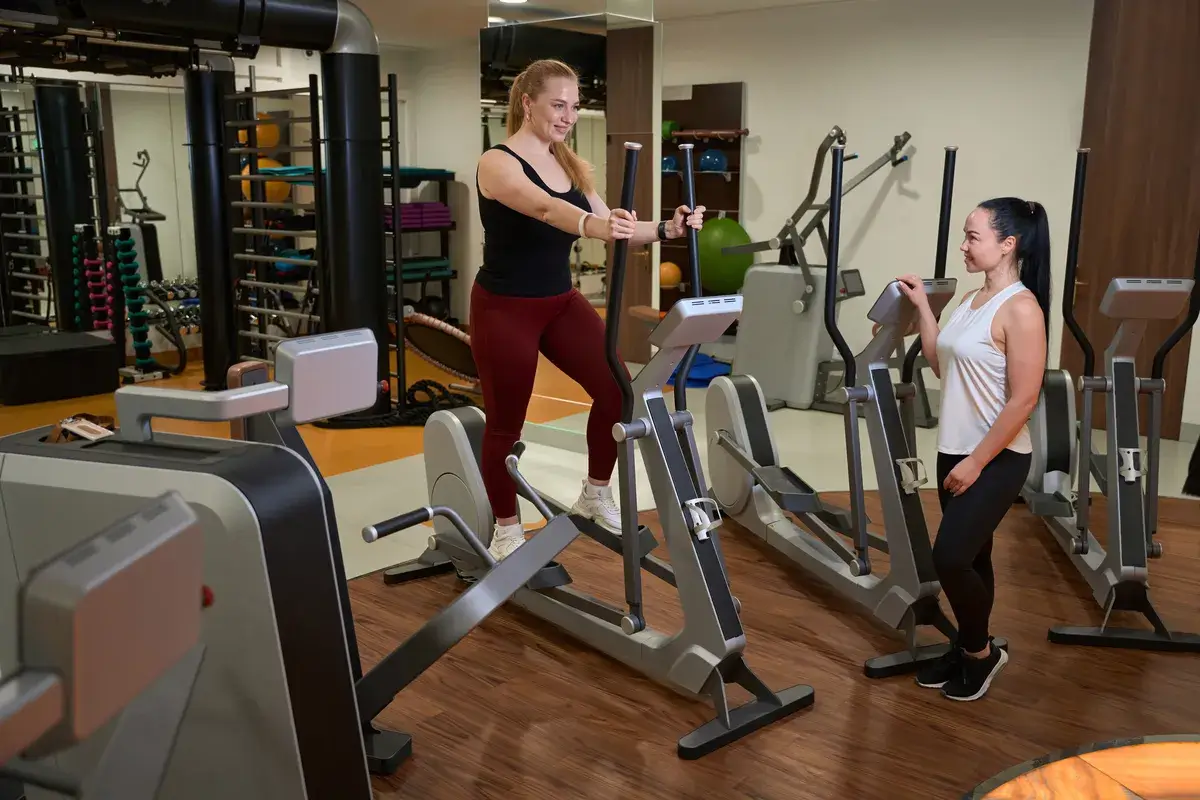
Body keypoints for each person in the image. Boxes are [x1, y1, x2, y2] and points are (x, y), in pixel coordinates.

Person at [472, 58, 705, 561]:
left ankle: (595, 494)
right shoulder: (497, 162)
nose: (567, 116)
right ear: (527, 102)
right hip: (505, 308)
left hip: (559, 302)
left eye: (574, 107)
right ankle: (507, 528)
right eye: (558, 105)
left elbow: (614, 225)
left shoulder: (569, 162)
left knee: (618, 390)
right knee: (505, 424)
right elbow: (544, 209)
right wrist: (594, 227)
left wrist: (667, 229)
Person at [896, 197, 1050, 702]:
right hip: (954, 449)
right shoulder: (970, 299)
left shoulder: (1022, 309)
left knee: (950, 558)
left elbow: (1025, 398)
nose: (963, 246)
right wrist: (923, 308)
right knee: (974, 557)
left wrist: (977, 461)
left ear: (1009, 244)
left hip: (997, 456)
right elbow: (942, 364)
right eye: (964, 235)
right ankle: (968, 646)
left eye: (973, 237)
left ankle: (981, 654)